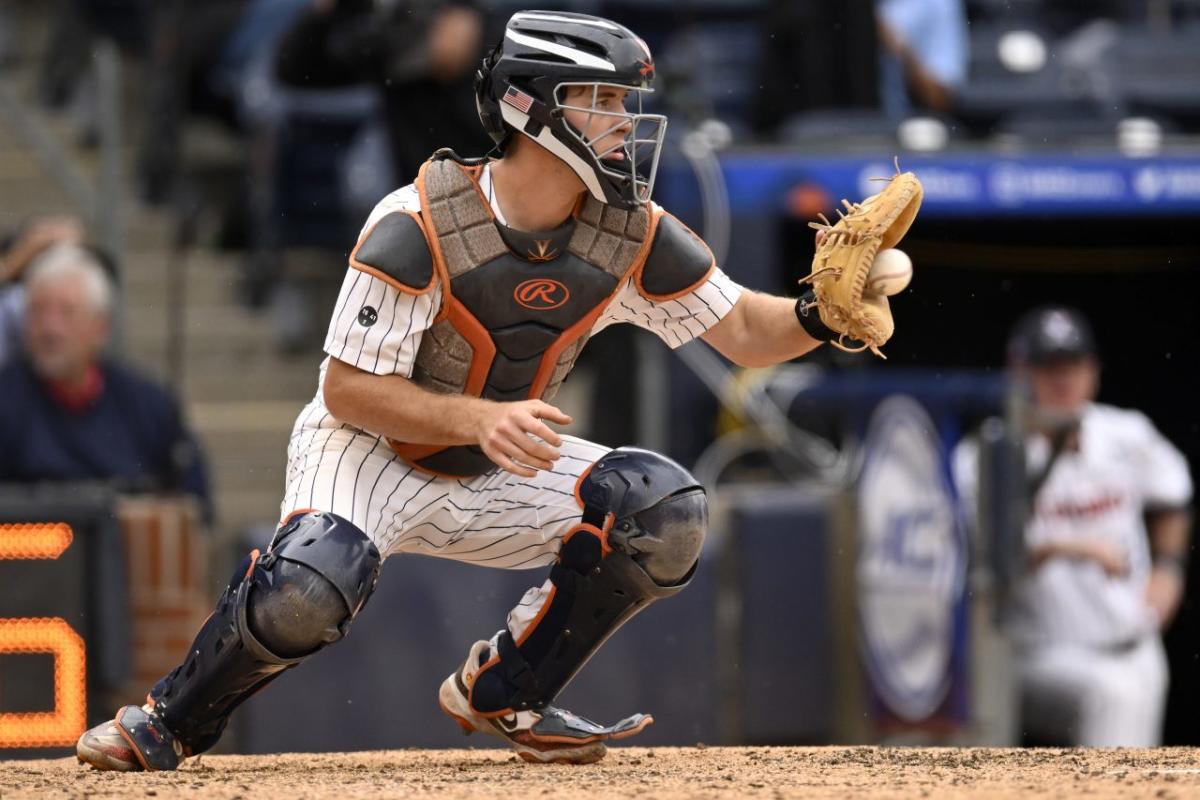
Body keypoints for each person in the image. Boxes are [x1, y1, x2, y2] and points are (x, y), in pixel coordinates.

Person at [75, 10, 894, 771]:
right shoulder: (421, 221)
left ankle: (508, 691)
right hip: (368, 451)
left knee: (662, 510)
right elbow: (348, 389)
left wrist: (823, 314)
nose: (623, 119)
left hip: (496, 459)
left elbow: (748, 331)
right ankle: (168, 722)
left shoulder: (631, 230)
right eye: (600, 99)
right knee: (305, 589)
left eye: (624, 99)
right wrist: (478, 416)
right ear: (530, 109)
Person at [954, 307, 1192, 746]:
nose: (1063, 379)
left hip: (1136, 642)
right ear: (1018, 371)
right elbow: (984, 565)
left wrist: (1170, 569)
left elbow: (1174, 495)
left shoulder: (1126, 433)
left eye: (1074, 365)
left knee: (1141, 752)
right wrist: (1067, 547)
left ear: (1093, 370)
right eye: (1048, 367)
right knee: (1110, 699)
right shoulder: (985, 454)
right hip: (1042, 652)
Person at [0, 243, 212, 518]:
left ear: (101, 326)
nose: (50, 328)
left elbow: (194, 506)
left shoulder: (148, 404)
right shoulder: (6, 401)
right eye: (38, 312)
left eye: (66, 312)